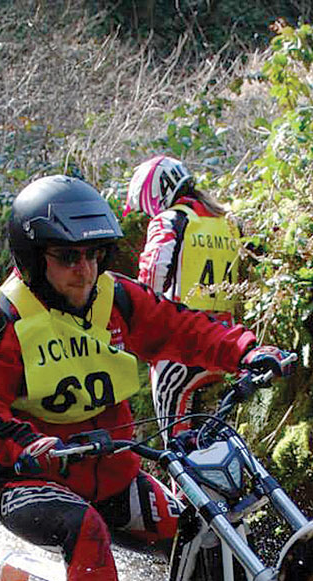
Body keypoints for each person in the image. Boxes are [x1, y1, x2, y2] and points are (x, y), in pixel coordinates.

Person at [0, 174, 288, 581]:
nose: (83, 271)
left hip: (116, 472)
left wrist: (246, 351)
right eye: (65, 258)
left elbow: (187, 327)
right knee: (83, 528)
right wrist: (24, 446)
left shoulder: (119, 296)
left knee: (202, 525)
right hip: (31, 480)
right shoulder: (4, 323)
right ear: (35, 260)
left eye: (91, 255)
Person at [124, 155, 242, 444]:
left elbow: (151, 278)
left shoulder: (170, 220)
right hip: (225, 342)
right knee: (219, 439)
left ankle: (182, 491)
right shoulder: (228, 221)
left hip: (180, 347)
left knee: (176, 446)